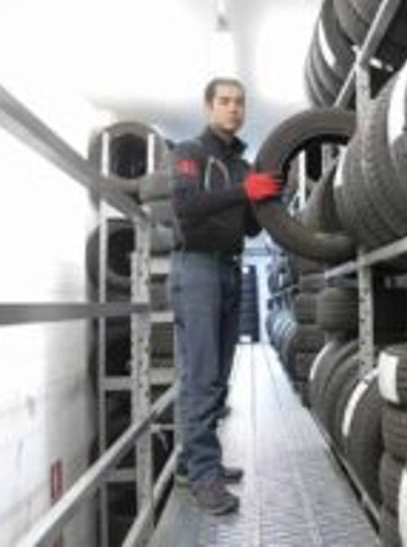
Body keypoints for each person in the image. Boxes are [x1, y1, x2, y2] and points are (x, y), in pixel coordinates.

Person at [168, 77, 280, 514]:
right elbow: (187, 208)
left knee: (216, 378)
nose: (234, 109)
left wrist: (266, 200)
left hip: (230, 270)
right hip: (196, 268)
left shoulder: (242, 164)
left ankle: (190, 462)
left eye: (240, 103)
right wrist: (243, 192)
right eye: (225, 101)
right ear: (208, 106)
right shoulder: (188, 153)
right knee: (200, 374)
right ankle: (204, 476)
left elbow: (249, 228)